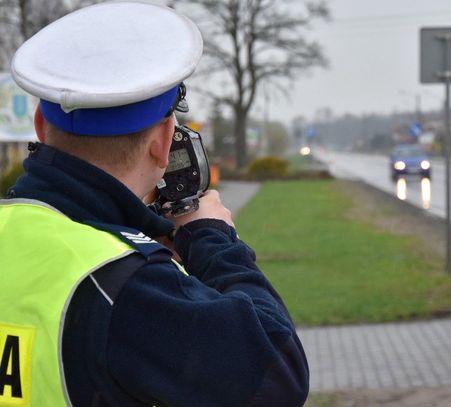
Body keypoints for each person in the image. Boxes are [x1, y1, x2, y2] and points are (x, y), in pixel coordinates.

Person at [0, 2, 309, 406]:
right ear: (164, 143)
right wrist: (213, 240)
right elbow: (278, 376)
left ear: (41, 124)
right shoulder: (124, 285)